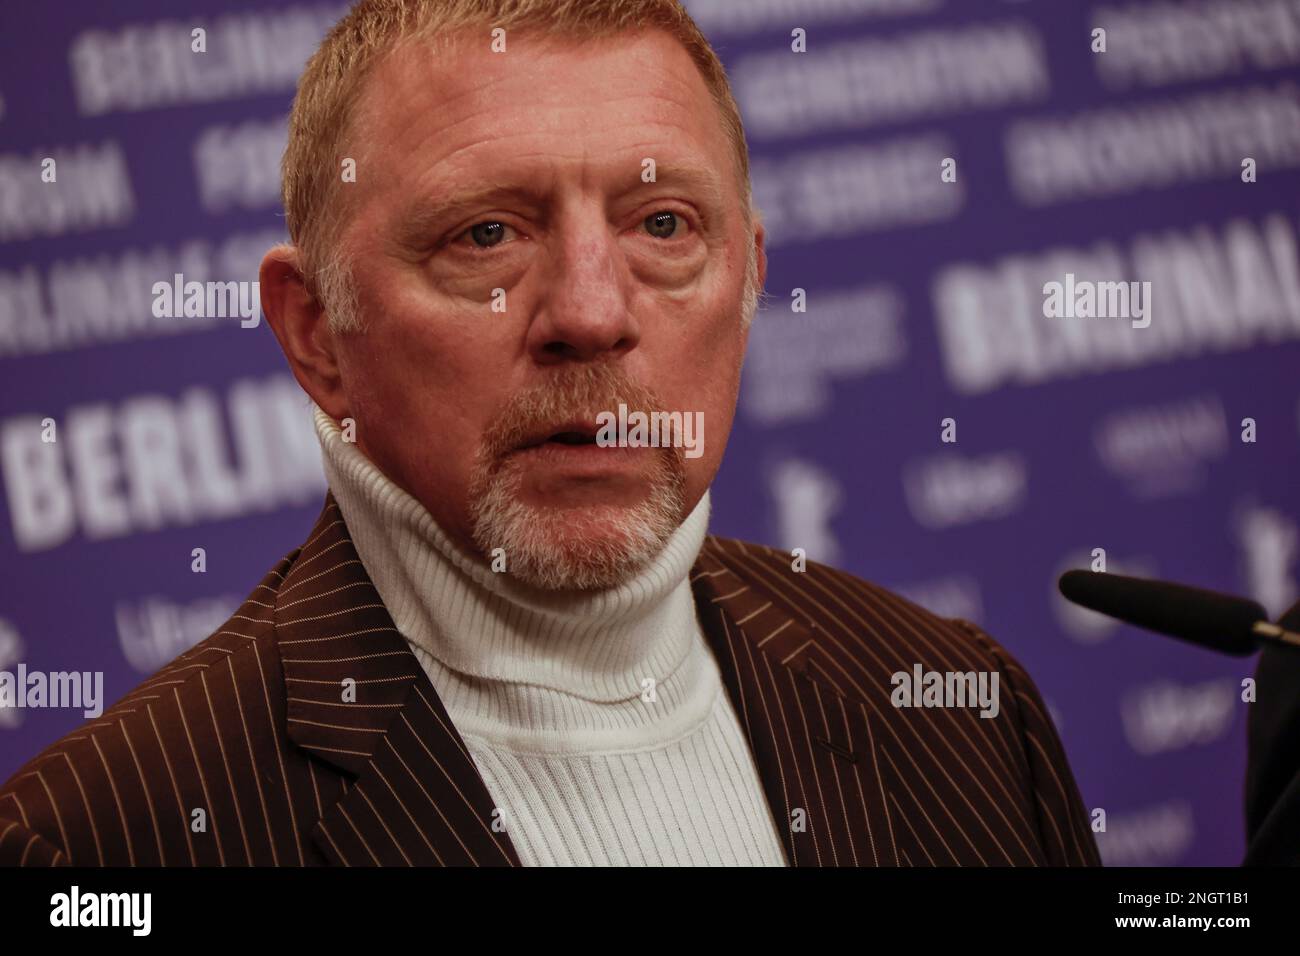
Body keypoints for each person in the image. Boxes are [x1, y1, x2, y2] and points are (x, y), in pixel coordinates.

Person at [0, 0, 1099, 867]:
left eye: (663, 225)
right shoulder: (100, 840)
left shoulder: (961, 708)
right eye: (486, 233)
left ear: (751, 277)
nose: (589, 311)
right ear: (318, 332)